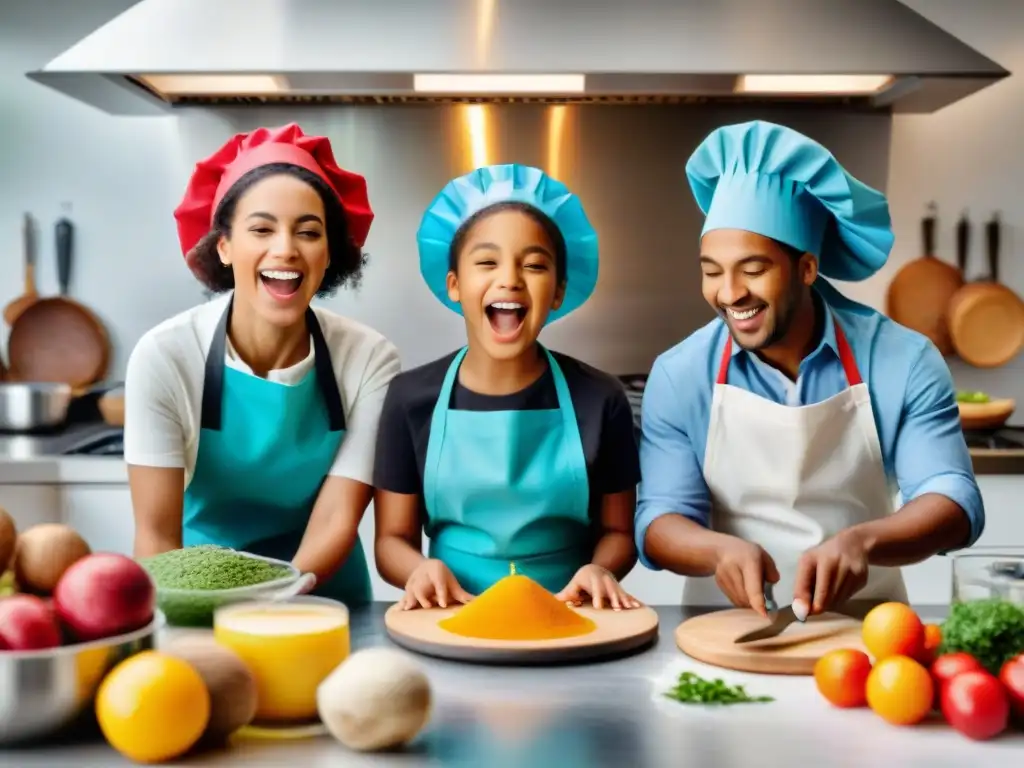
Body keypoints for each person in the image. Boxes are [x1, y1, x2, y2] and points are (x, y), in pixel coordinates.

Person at [636, 120, 984, 619]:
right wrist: (719, 551)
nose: (729, 293)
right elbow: (660, 517)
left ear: (806, 268)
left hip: (870, 632)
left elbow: (952, 498)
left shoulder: (902, 360)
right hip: (726, 632)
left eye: (753, 269)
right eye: (712, 271)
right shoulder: (680, 374)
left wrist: (863, 543)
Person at [124, 123, 401, 606]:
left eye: (308, 232)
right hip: (196, 597)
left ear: (329, 250)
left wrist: (275, 604)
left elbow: (338, 519)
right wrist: (190, 617)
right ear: (224, 246)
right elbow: (155, 537)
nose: (286, 248)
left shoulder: (370, 360)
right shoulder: (165, 355)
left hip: (324, 602)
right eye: (261, 229)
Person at [373, 164, 641, 610]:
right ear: (455, 285)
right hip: (452, 616)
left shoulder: (601, 398)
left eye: (535, 265)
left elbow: (618, 534)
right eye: (487, 262)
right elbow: (391, 540)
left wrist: (600, 569)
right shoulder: (408, 398)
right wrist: (418, 569)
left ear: (557, 292)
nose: (510, 278)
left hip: (567, 613)